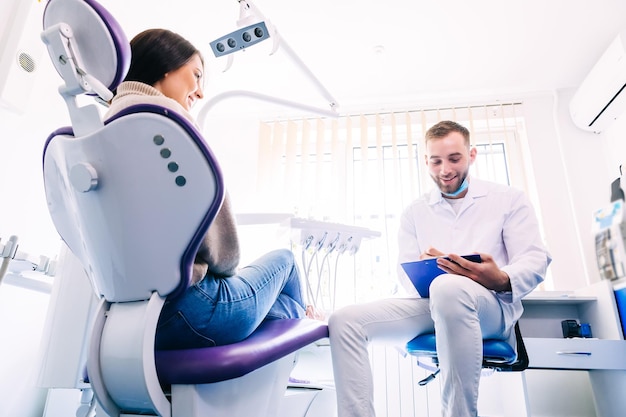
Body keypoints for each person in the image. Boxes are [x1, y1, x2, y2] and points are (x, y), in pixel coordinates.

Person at [106, 28, 316, 350]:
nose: (200, 93)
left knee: (281, 307)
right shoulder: (168, 122)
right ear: (166, 66)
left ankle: (300, 318)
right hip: (192, 310)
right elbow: (226, 258)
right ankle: (303, 331)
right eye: (196, 75)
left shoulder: (106, 129)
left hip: (127, 319)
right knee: (285, 262)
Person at [328, 120, 551, 417]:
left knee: (449, 288)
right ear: (426, 161)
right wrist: (426, 271)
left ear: (471, 155)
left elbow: (535, 259)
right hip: (432, 305)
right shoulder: (414, 212)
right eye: (436, 161)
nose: (445, 169)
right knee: (344, 320)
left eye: (454, 159)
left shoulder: (508, 199)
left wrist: (500, 278)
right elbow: (405, 274)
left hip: (490, 308)